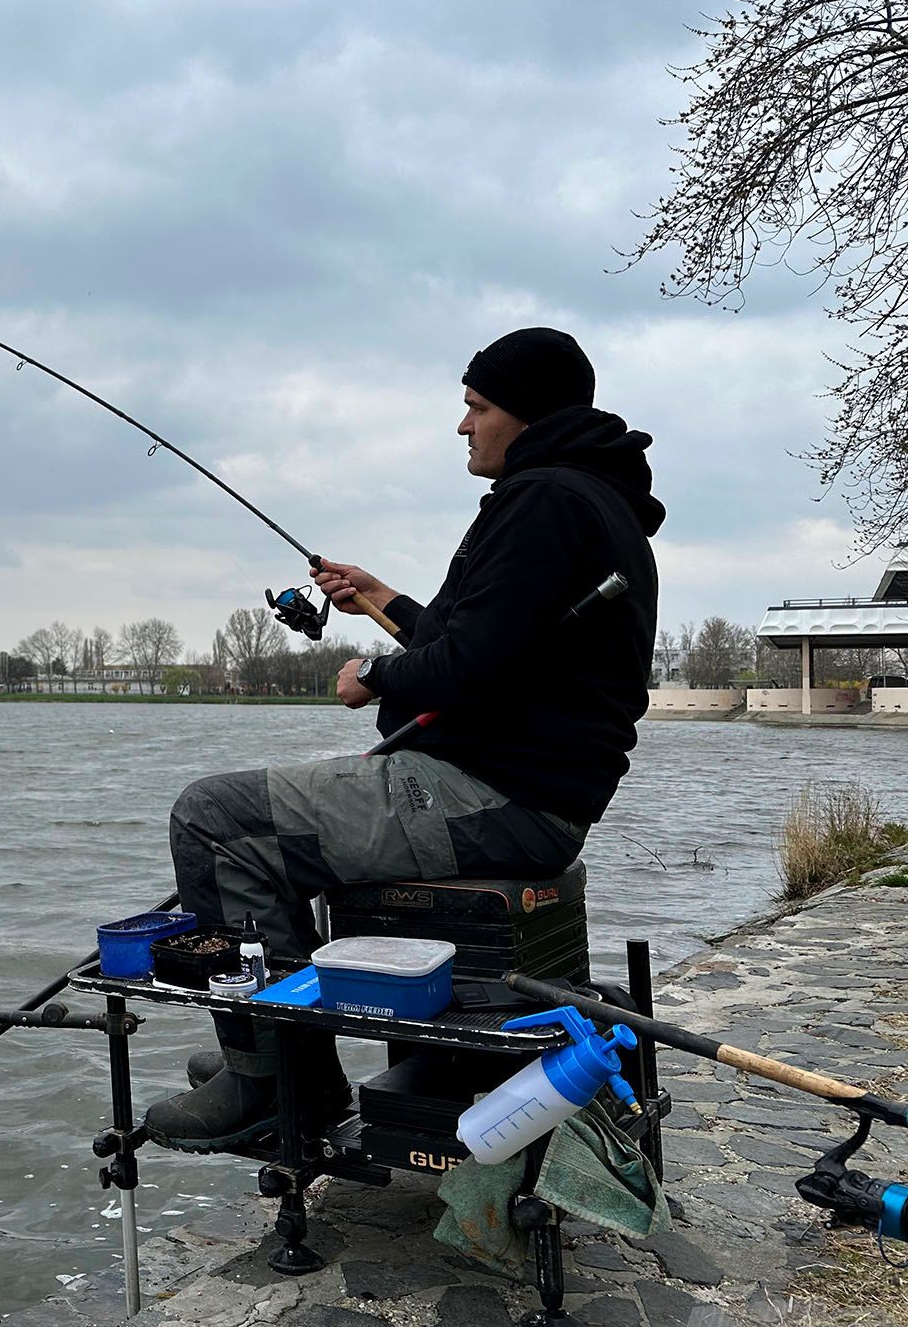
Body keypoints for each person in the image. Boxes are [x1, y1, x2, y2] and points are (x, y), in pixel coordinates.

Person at [143, 327, 664, 1151]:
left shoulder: (544, 502)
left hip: (498, 795)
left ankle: (276, 1085)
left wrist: (376, 677)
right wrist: (384, 599)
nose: (464, 425)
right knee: (262, 828)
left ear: (524, 414)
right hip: (531, 789)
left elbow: (472, 668)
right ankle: (285, 1057)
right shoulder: (590, 502)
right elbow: (496, 647)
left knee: (216, 819)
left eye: (477, 406)